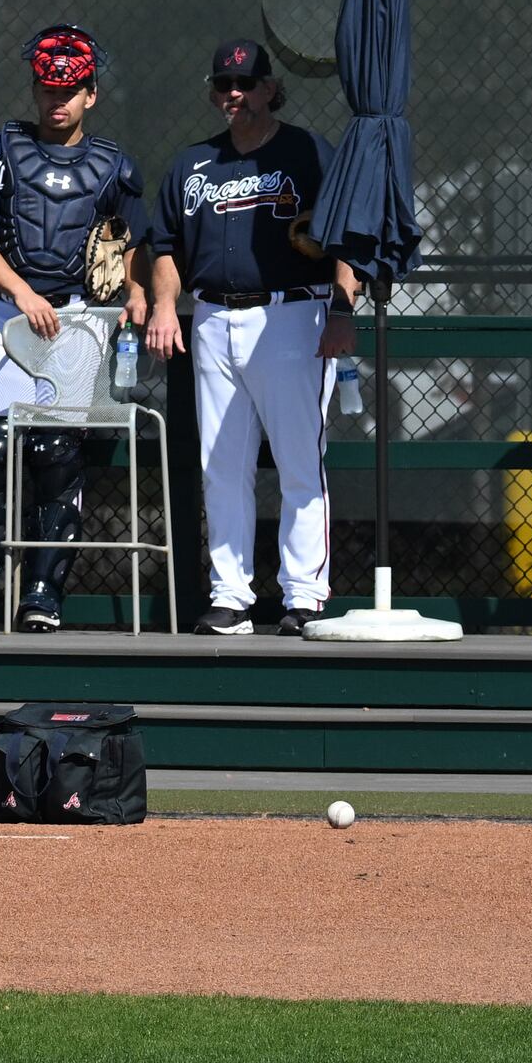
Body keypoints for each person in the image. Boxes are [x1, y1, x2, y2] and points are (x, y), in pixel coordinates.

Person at [143, 38, 361, 635]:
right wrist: (166, 306)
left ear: (270, 88)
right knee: (222, 465)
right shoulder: (193, 164)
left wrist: (343, 309)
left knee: (297, 458)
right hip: (212, 316)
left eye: (244, 83)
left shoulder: (309, 152)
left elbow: (347, 235)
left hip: (292, 314)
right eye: (223, 85)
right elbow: (164, 246)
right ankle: (230, 595)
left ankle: (304, 595)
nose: (232, 94)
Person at [0, 23, 151, 634]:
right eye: (47, 89)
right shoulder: (1, 151)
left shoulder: (115, 166)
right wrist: (22, 290)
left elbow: (134, 242)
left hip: (80, 323)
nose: (57, 100)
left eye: (71, 90)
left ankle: (41, 596)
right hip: (12, 318)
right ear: (34, 90)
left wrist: (137, 290)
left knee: (56, 456)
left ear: (91, 94)